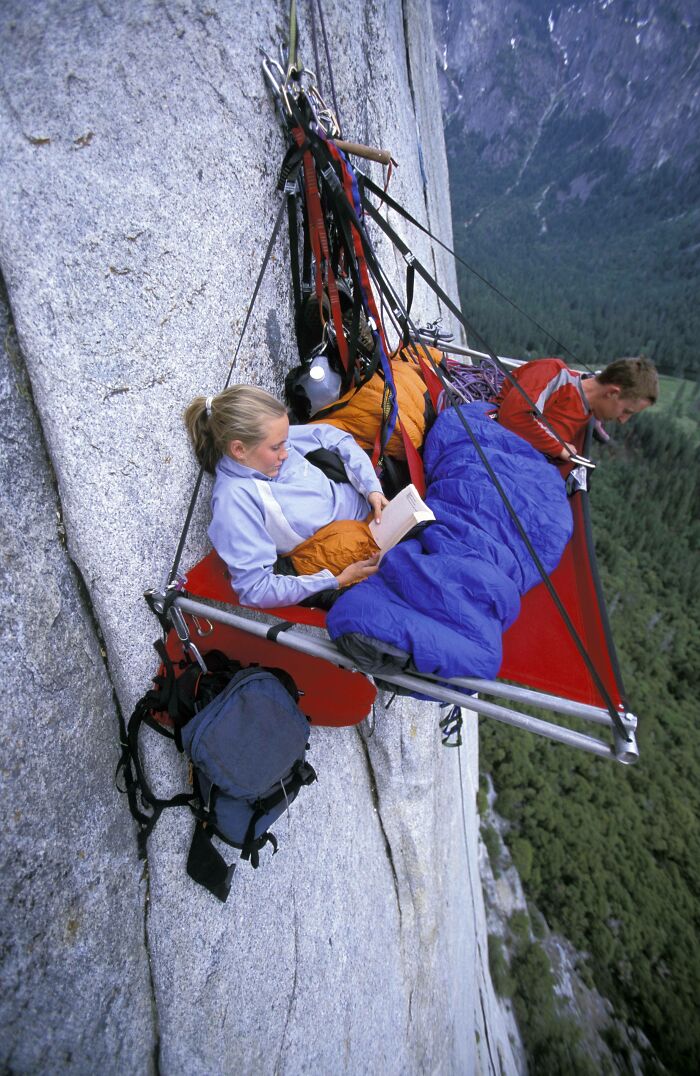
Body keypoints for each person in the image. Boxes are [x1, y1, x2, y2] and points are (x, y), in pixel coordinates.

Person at [184, 385, 388, 608]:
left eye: (286, 440)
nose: (286, 452)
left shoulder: (275, 444)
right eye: (276, 447)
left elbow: (335, 438)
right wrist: (335, 580)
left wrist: (372, 488)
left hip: (378, 515)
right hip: (348, 557)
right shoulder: (234, 500)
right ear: (239, 450)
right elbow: (256, 589)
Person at [494, 355, 659, 462]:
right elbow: (512, 416)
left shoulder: (590, 412)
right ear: (612, 393)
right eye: (627, 411)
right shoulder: (552, 372)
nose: (623, 420)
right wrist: (558, 447)